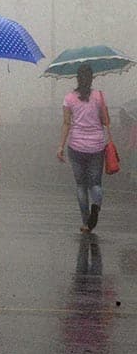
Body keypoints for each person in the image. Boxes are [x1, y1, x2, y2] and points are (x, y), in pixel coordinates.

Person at [57, 64, 109, 232]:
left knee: (81, 186)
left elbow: (66, 124)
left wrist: (61, 146)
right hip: (97, 146)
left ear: (77, 78)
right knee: (95, 184)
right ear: (92, 78)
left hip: (76, 146)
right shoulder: (99, 96)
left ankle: (86, 223)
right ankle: (96, 207)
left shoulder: (69, 98)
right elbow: (105, 121)